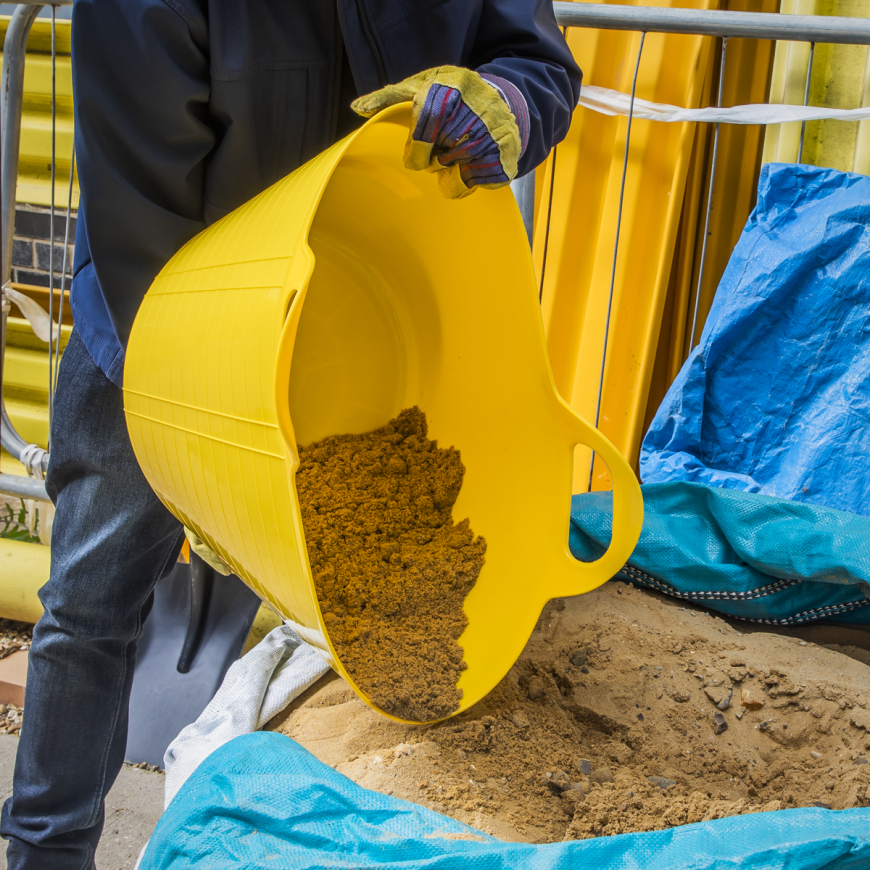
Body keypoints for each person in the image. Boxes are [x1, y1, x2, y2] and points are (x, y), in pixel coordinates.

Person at [1, 1, 582, 867]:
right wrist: (197, 442)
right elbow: (142, 231)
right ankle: (46, 850)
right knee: (90, 607)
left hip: (371, 323)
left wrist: (510, 100)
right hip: (163, 317)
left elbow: (536, 61)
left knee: (414, 601)